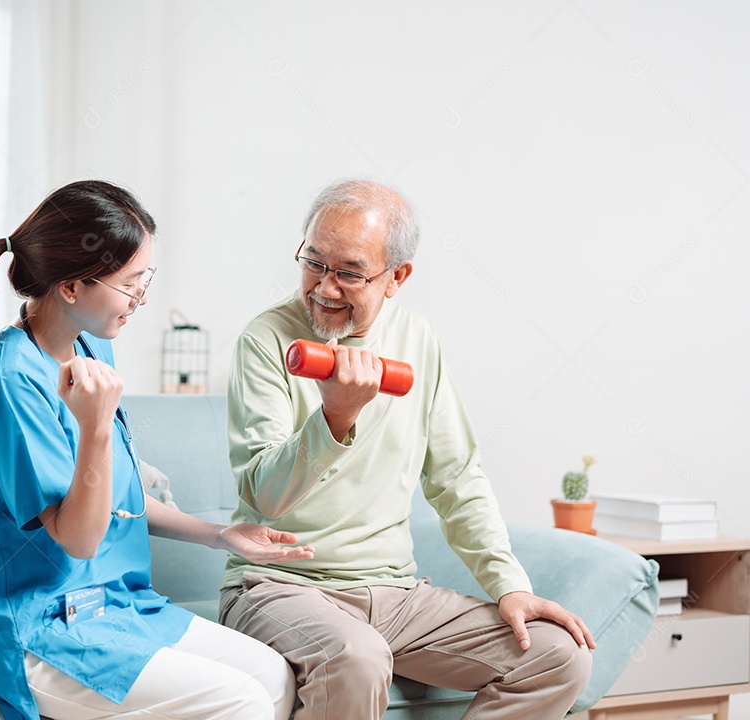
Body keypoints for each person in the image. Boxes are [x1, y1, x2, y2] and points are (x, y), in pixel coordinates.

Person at [0, 180, 315, 720]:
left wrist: (220, 535)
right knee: (241, 703)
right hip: (32, 629)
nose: (141, 298)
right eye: (131, 283)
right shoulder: (4, 383)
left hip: (114, 606)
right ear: (71, 287)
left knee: (274, 677)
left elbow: (116, 500)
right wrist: (93, 429)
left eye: (146, 279)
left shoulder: (92, 345)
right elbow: (79, 538)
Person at [219, 178, 596, 720]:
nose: (324, 287)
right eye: (313, 261)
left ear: (397, 276)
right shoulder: (265, 338)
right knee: (358, 657)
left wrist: (509, 584)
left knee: (559, 656)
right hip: (279, 585)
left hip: (393, 593)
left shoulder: (419, 339)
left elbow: (457, 479)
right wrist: (336, 414)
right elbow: (265, 494)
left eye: (349, 271)